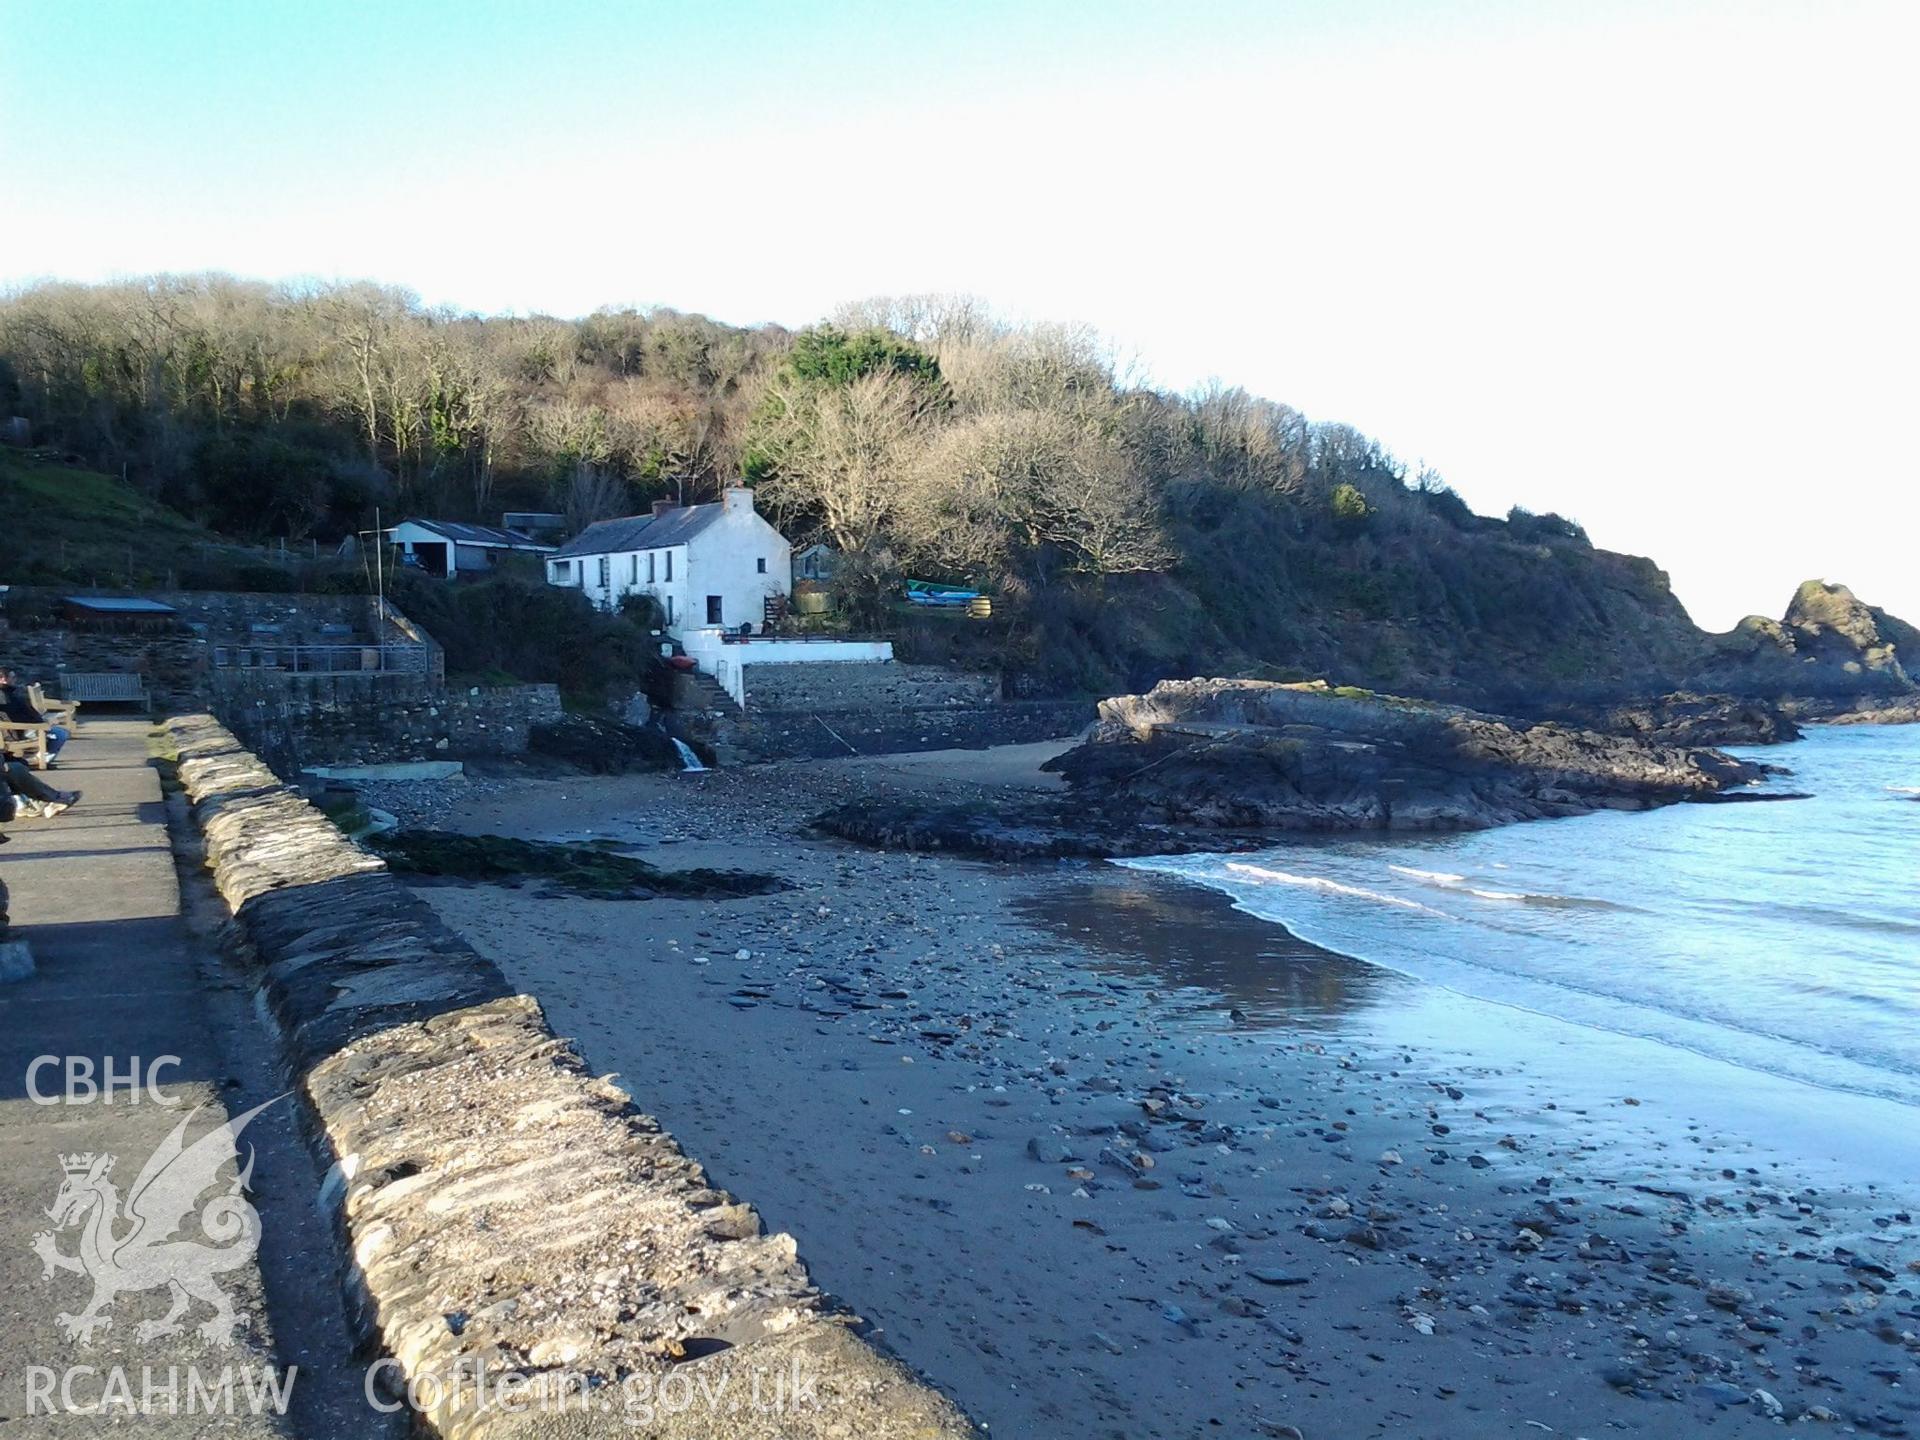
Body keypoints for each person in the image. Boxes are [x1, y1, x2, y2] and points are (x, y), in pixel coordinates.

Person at [0, 667, 68, 766]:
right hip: (20, 731)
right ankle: (41, 758)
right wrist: (41, 724)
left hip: (22, 728)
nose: (15, 680)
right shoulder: (4, 696)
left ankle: (40, 757)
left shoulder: (8, 693)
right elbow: (15, 716)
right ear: (3, 679)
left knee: (57, 731)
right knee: (60, 734)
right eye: (12, 677)